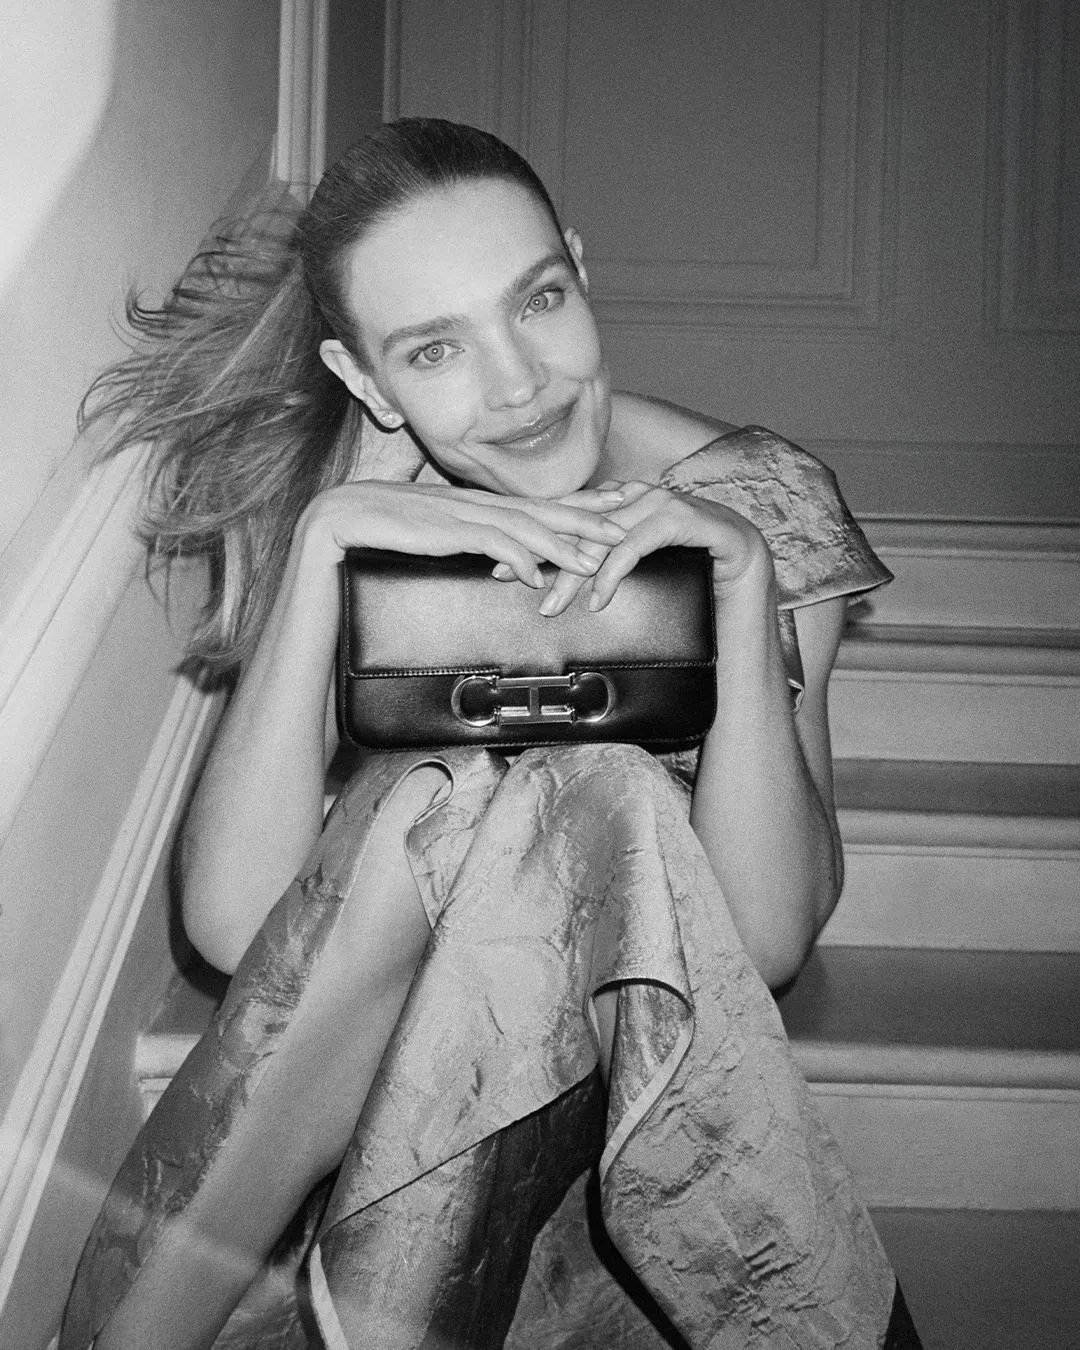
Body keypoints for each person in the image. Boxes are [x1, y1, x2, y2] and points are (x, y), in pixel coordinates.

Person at [60, 119, 920, 1349]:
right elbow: (239, 930)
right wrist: (322, 550)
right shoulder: (355, 495)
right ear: (366, 380)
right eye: (434, 348)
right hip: (377, 1054)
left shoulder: (757, 504)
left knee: (598, 792)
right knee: (457, 797)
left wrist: (738, 594)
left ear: (580, 266)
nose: (517, 384)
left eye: (539, 299)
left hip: (639, 1070)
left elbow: (769, 937)